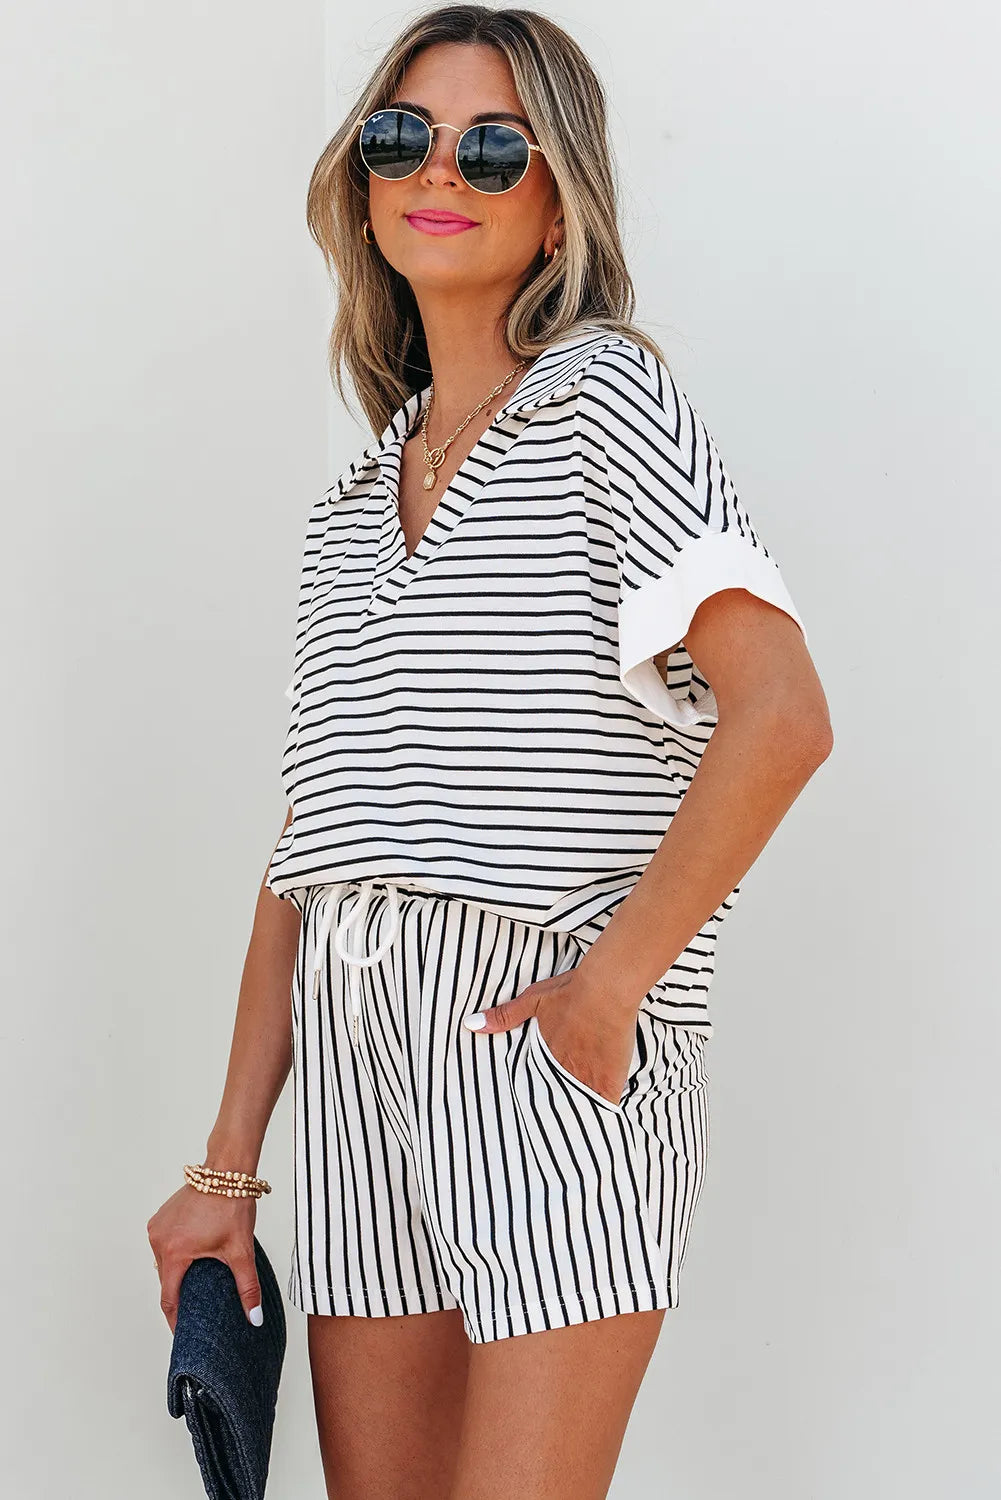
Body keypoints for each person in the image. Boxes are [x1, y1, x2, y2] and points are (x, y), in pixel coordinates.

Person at [148, 6, 834, 1496]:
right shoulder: (347, 511)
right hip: (357, 1064)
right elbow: (305, 858)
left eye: (494, 147)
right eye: (402, 137)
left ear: (558, 206)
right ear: (361, 186)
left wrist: (611, 988)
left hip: (541, 1044)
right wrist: (225, 1169)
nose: (438, 171)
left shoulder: (607, 405)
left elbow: (783, 713)